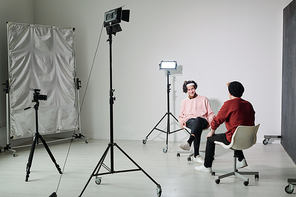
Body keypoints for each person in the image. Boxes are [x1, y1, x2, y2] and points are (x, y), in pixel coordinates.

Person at [194, 81, 255, 173]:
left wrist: (212, 132)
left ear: (230, 92)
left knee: (211, 139)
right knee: (235, 135)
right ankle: (241, 159)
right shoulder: (248, 104)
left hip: (234, 137)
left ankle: (207, 166)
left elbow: (217, 120)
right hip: (248, 138)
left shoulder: (229, 104)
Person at [178, 80, 215, 163]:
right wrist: (182, 122)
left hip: (203, 120)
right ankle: (196, 155)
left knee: (198, 120)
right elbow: (181, 116)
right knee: (196, 124)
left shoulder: (204, 99)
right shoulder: (184, 102)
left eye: (192, 89)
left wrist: (210, 121)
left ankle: (189, 142)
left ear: (195, 88)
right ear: (186, 91)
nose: (191, 91)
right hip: (190, 121)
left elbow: (211, 113)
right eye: (189, 89)